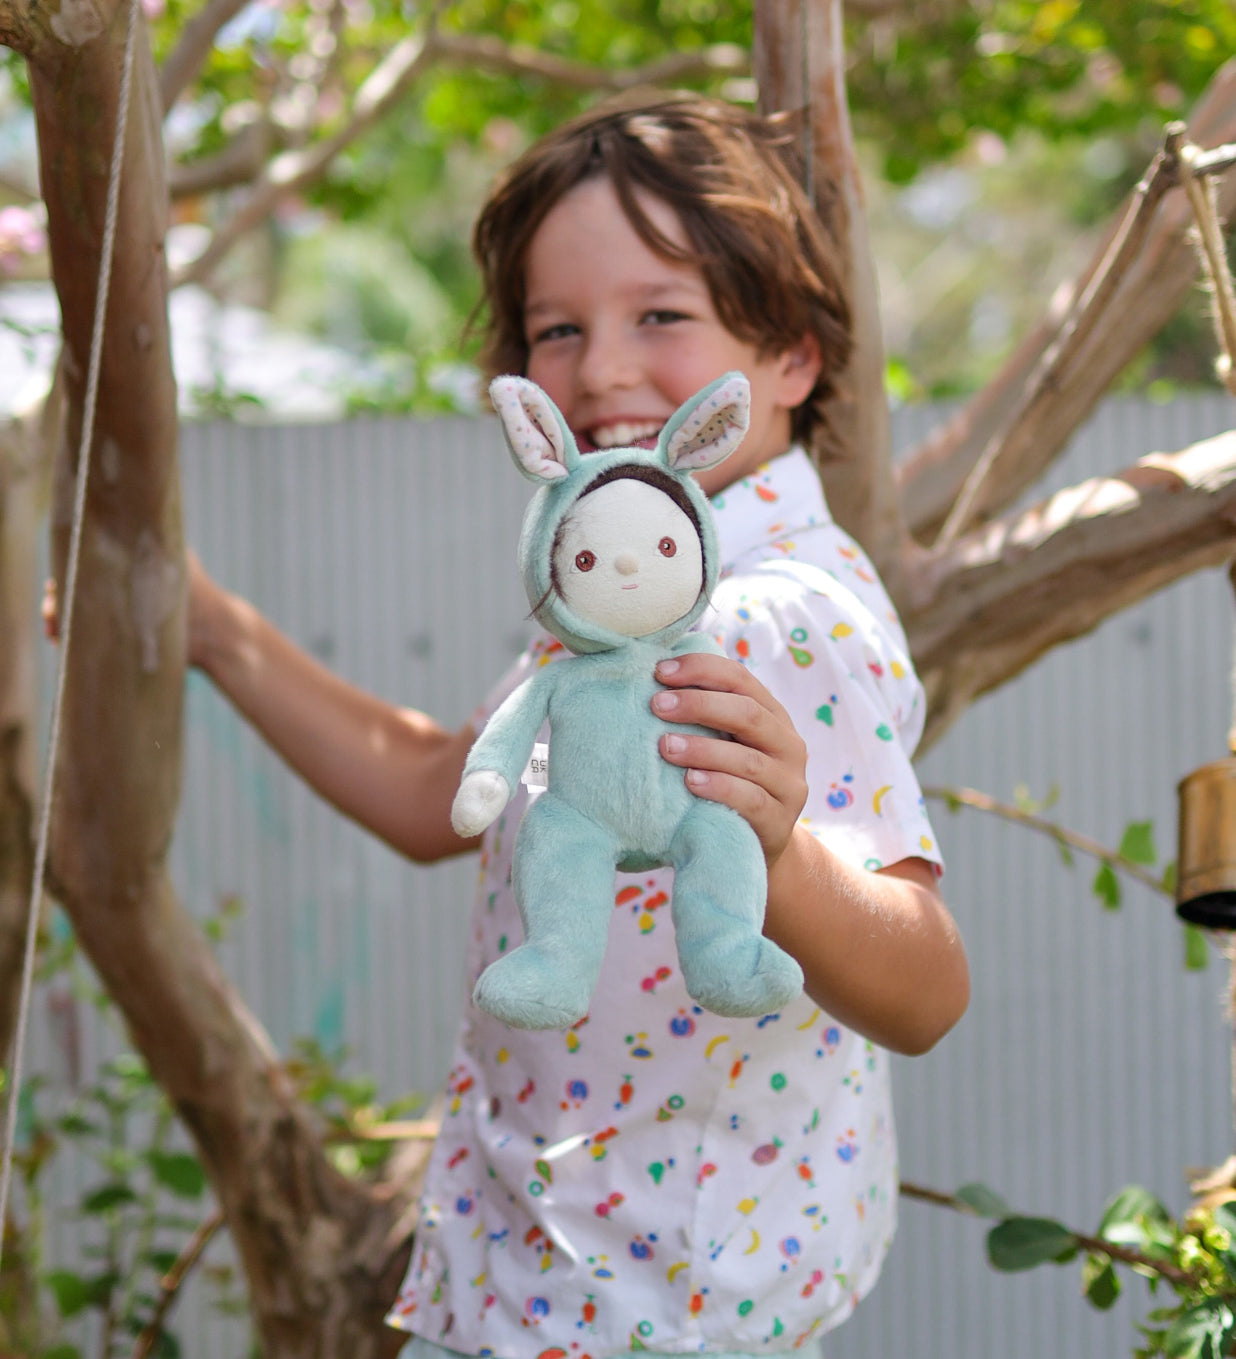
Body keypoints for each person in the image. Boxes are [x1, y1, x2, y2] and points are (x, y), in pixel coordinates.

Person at [54, 91, 968, 1356]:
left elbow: (927, 988)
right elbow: (441, 783)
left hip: (660, 1302)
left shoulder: (774, 618)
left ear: (791, 360)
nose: (599, 371)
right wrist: (212, 631)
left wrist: (781, 851)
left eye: (662, 315)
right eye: (556, 328)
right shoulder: (621, 590)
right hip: (556, 1268)